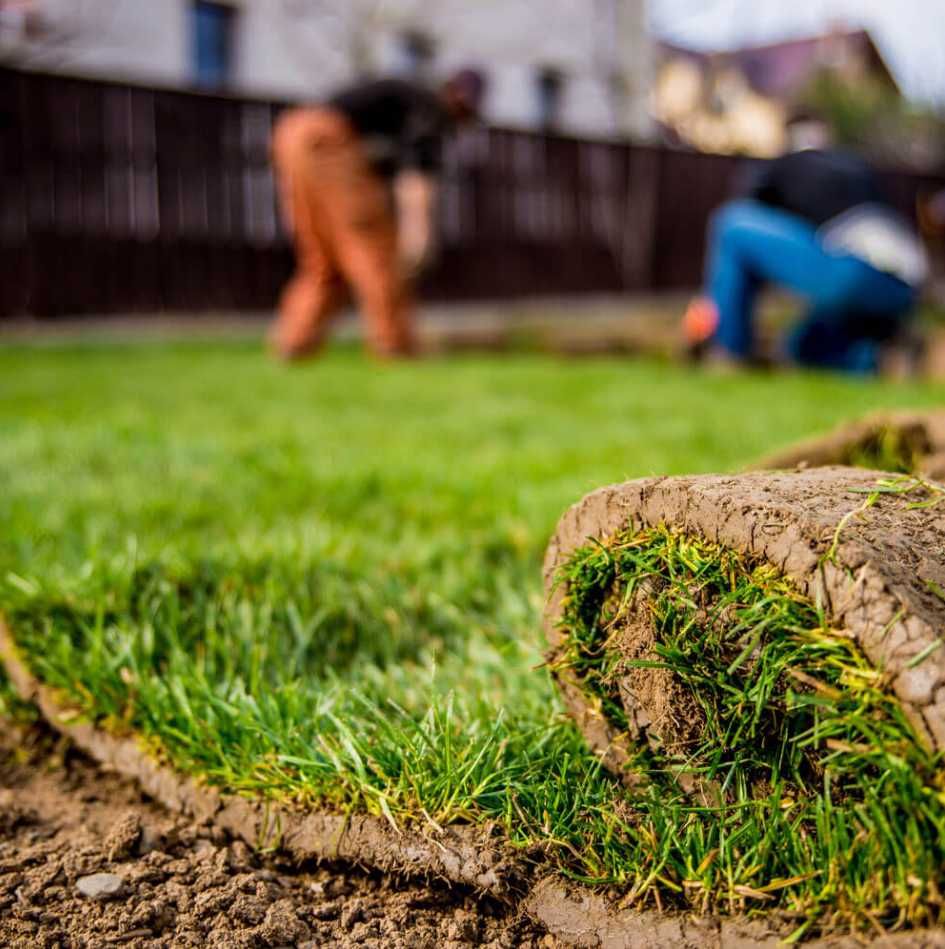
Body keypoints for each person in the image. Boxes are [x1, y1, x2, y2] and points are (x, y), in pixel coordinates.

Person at [269, 70, 486, 360]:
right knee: (377, 254)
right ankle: (396, 347)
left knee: (324, 260)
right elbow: (416, 182)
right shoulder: (429, 110)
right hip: (328, 140)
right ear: (453, 96)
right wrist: (418, 238)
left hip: (292, 132)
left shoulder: (408, 103)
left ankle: (294, 343)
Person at [683, 148, 928, 373]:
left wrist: (711, 304)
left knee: (732, 224)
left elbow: (746, 247)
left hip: (858, 270)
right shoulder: (850, 170)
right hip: (904, 289)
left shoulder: (773, 173)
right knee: (802, 347)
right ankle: (870, 357)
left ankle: (728, 354)